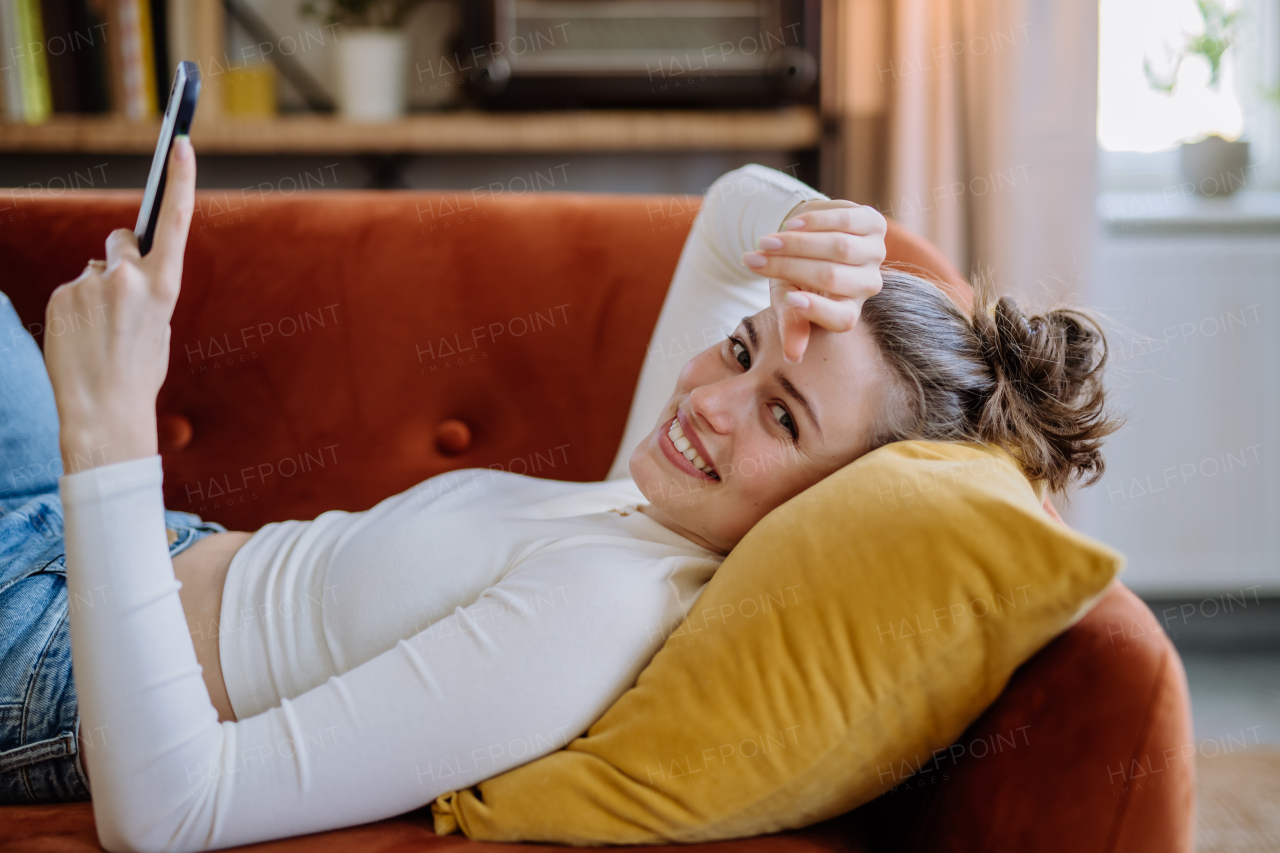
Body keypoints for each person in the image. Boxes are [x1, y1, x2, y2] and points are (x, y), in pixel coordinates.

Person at [0, 138, 1114, 852]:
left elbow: (171, 808)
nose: (713, 401)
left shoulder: (602, 614)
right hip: (104, 546)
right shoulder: (659, 505)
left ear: (842, 500)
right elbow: (734, 211)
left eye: (783, 414)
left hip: (43, 653)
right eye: (738, 349)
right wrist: (838, 228)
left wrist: (111, 424)